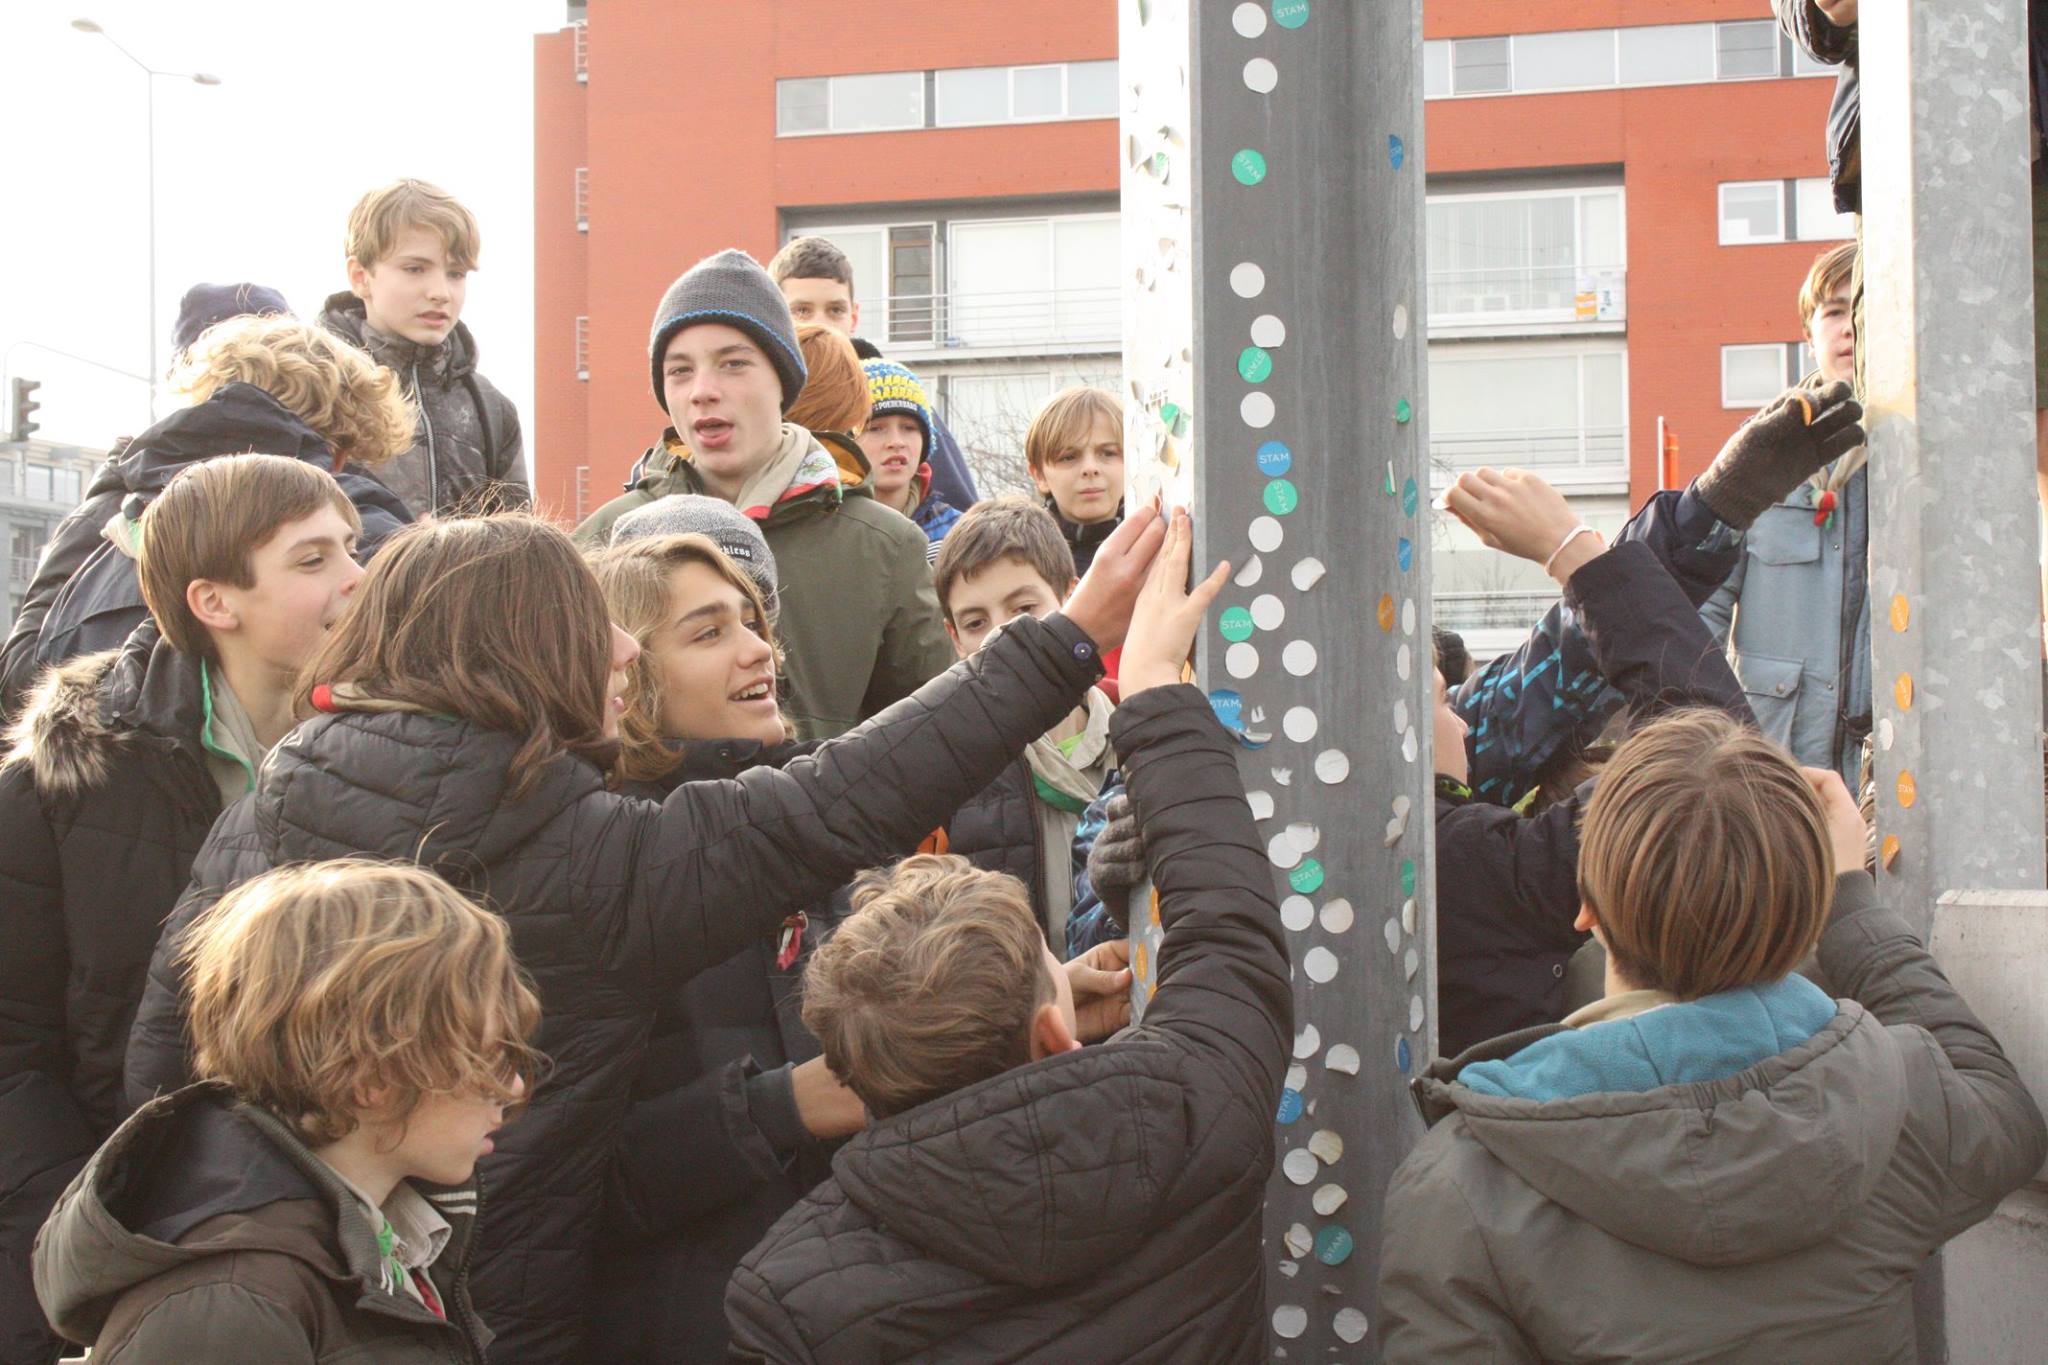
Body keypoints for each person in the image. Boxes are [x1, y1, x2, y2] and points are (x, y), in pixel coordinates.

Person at [124, 506, 1166, 1364]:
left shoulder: (266, 802)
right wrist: (1063, 640)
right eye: (593, 623)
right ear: (517, 648)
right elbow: (835, 803)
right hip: (501, 1317)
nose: (621, 645)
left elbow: (158, 1068)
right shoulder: (581, 854)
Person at [726, 510, 1294, 1362]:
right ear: (1051, 1030)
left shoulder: (784, 1295)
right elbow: (1233, 932)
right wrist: (1153, 689)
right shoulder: (1199, 1110)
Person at [582, 531, 1129, 1356]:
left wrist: (1021, 1016)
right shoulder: (610, 870)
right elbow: (586, 1182)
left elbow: (892, 1073)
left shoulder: (819, 826)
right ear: (629, 672)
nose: (757, 648)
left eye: (752, 621)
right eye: (708, 631)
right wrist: (784, 1105)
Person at [1379, 709, 2048, 1362]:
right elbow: (2002, 1108)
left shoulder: (1462, 1189)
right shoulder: (1898, 1098)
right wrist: (1850, 897)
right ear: (1803, 909)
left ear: (1585, 906)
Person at [0, 455, 365, 1364]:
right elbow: (13, 1055)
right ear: (215, 601)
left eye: (353, 548)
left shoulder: (381, 757)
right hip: (105, 1244)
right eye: (313, 559)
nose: (359, 577)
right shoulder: (57, 787)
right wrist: (90, 1235)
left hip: (320, 1239)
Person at [35, 861, 539, 1362]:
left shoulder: (388, 1229)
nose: (513, 1088)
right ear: (372, 1078)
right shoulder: (232, 1306)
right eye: (488, 1058)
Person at [1431, 466, 1755, 1057]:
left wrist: (1702, 517)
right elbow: (1719, 772)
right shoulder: (1471, 864)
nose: (1460, 716)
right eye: (1437, 700)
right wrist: (1570, 549)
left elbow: (1548, 675)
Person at [575, 248, 954, 739]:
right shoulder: (602, 541)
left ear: (784, 380)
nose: (703, 391)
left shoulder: (885, 544)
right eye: (680, 370)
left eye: (733, 364)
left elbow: (932, 739)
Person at [0, 314, 414, 720]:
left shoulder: (108, 509)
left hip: (85, 765)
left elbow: (21, 682)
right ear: (342, 445)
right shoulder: (350, 512)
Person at [1700, 243, 1870, 785]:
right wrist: (1713, 731)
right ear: (1810, 333)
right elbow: (1705, 603)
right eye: (1834, 312)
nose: (1849, 328)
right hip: (1777, 765)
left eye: (1862, 309)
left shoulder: (1922, 458)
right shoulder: (1767, 449)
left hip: (1892, 766)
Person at [931, 497, 1116, 948]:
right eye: (976, 622)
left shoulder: (1139, 738)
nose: (1001, 636)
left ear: (1072, 598)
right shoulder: (945, 769)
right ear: (954, 637)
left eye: (1023, 610)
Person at [317, 177, 527, 516]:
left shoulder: (491, 409)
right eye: (415, 269)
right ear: (360, 276)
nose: (440, 292)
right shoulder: (314, 389)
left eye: (456, 273)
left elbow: (517, 547)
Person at [768, 234, 978, 510]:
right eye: (802, 311)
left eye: (835, 311)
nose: (821, 324)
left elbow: (965, 524)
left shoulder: (903, 400)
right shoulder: (758, 405)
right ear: (774, 316)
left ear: (853, 317)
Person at [861, 358, 962, 560]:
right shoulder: (825, 530)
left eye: (909, 428)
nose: (896, 442)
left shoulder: (960, 534)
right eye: (875, 429)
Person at [1024, 385, 1125, 577]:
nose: (1090, 469)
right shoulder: (1021, 558)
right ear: (1040, 476)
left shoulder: (1158, 547)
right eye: (1068, 457)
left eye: (1108, 453)